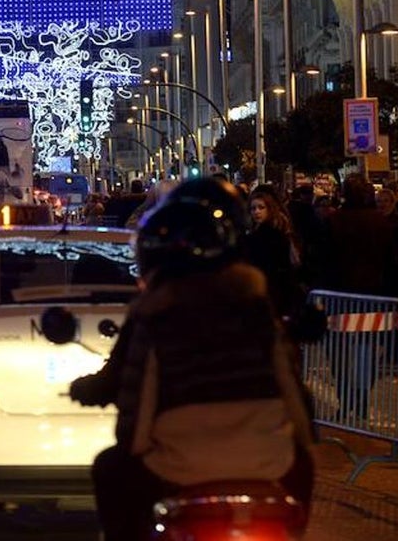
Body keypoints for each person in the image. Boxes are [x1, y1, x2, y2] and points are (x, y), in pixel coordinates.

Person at [69, 178, 315, 540]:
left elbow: (124, 380)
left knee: (110, 468)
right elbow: (291, 385)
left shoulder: (153, 315)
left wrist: (85, 389)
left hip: (177, 462)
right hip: (266, 459)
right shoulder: (255, 309)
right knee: (304, 465)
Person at [243, 185, 303, 325]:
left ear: (269, 209)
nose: (257, 212)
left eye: (261, 207)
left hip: (273, 290)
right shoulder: (252, 235)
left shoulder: (275, 235)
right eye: (253, 208)